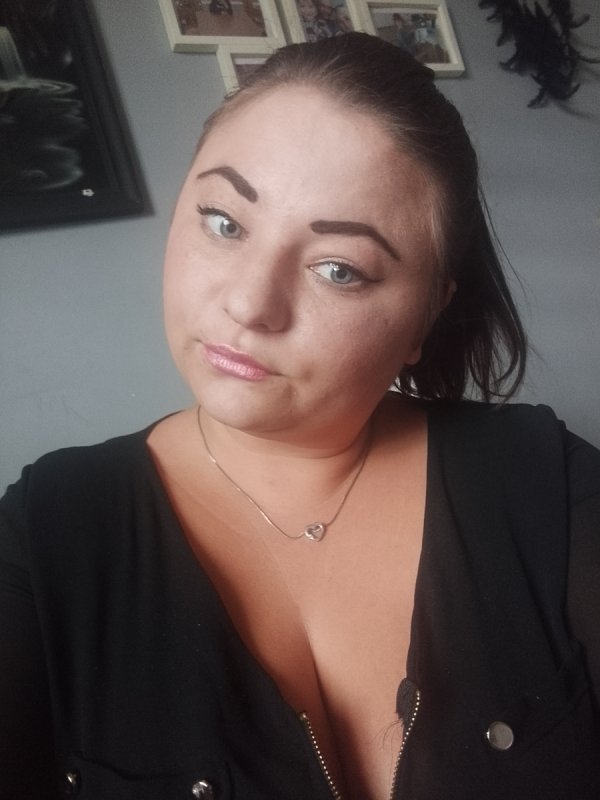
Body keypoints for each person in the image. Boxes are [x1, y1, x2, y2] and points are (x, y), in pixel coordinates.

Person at [1, 32, 599, 800]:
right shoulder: (47, 533)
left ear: (426, 315)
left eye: (338, 269)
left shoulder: (546, 486)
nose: (250, 303)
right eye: (225, 223)